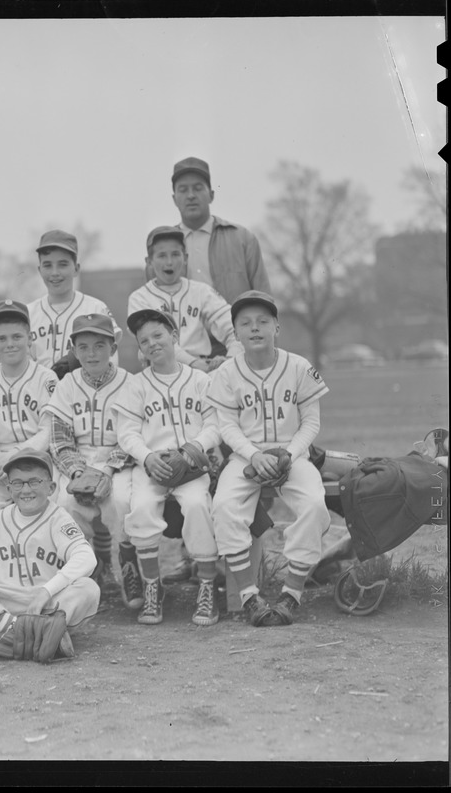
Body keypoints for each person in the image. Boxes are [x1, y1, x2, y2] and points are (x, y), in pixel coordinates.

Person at [207, 291, 331, 627]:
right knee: (223, 507)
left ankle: (292, 593)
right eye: (245, 323)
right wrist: (253, 454)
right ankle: (249, 596)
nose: (255, 328)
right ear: (236, 332)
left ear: (277, 326)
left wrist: (290, 454)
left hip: (293, 455)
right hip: (246, 459)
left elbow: (312, 422)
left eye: (263, 321)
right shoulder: (227, 373)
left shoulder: (299, 366)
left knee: (315, 505)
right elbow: (226, 426)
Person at [113, 310, 222, 627]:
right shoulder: (136, 385)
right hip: (153, 467)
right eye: (144, 340)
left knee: (199, 506)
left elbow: (216, 425)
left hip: (191, 466)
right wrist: (147, 457)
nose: (152, 343)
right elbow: (127, 433)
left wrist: (192, 449)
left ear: (174, 336)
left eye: (158, 335)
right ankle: (151, 587)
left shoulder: (201, 380)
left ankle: (206, 587)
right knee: (143, 508)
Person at [0, 450, 101, 661]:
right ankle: (28, 634)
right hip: (7, 603)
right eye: (18, 483)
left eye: (34, 482)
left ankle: (0, 634)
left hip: (48, 605)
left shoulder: (58, 519)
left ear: (51, 487)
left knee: (88, 588)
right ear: (9, 489)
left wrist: (46, 592)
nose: (26, 489)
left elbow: (86, 557)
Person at [44, 313, 143, 609]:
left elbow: (135, 433)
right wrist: (77, 472)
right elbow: (58, 438)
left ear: (113, 348)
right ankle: (85, 571)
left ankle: (128, 564)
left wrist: (109, 470)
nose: (91, 353)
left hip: (119, 462)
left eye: (99, 345)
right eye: (83, 347)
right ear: (74, 350)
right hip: (79, 462)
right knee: (65, 504)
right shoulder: (67, 385)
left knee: (122, 502)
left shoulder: (130, 383)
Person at [0, 300, 58, 539]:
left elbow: (48, 431)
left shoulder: (47, 378)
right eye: (2, 339)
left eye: (16, 337)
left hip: (39, 458)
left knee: (55, 509)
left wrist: (15, 455)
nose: (10, 344)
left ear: (29, 338)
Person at [129, 226, 242, 373]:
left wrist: (229, 360)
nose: (169, 262)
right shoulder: (139, 298)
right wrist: (194, 363)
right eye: (162, 255)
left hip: (202, 371)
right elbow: (157, 343)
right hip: (159, 373)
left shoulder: (202, 291)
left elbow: (234, 327)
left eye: (176, 254)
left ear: (186, 258)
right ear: (149, 261)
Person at [165, 157, 270, 303]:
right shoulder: (162, 248)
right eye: (183, 190)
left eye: (198, 188)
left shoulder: (243, 240)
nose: (191, 195)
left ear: (211, 195)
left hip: (233, 325)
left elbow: (264, 299)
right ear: (174, 199)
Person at [27, 229, 120, 375]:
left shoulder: (95, 307)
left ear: (76, 269)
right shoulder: (27, 314)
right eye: (47, 265)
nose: (55, 272)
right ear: (39, 270)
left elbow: (112, 362)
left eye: (63, 264)